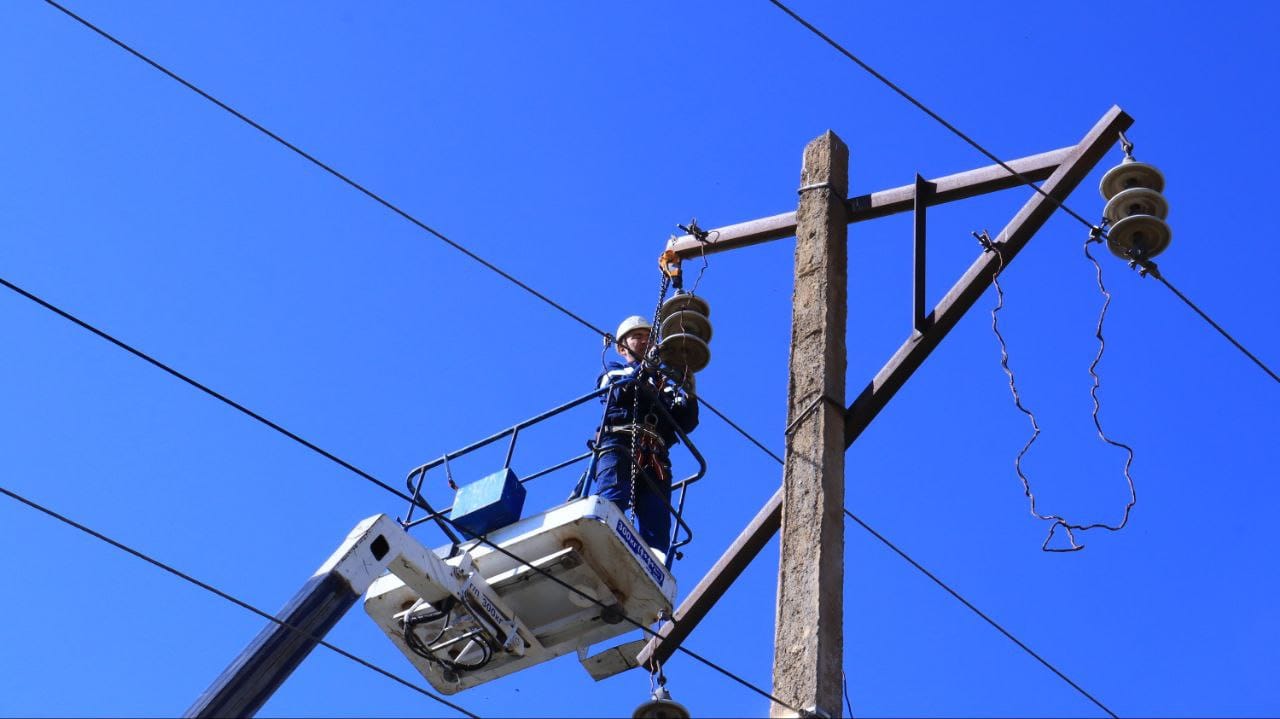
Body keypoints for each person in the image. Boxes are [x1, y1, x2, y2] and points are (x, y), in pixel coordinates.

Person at [586, 315, 699, 560]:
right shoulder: (613, 370)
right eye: (637, 336)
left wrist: (690, 393)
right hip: (620, 445)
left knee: (657, 525)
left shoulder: (664, 387)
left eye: (649, 337)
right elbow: (620, 392)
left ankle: (652, 566)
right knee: (614, 500)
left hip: (655, 459)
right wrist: (645, 369)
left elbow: (686, 423)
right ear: (621, 346)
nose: (645, 340)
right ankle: (597, 550)